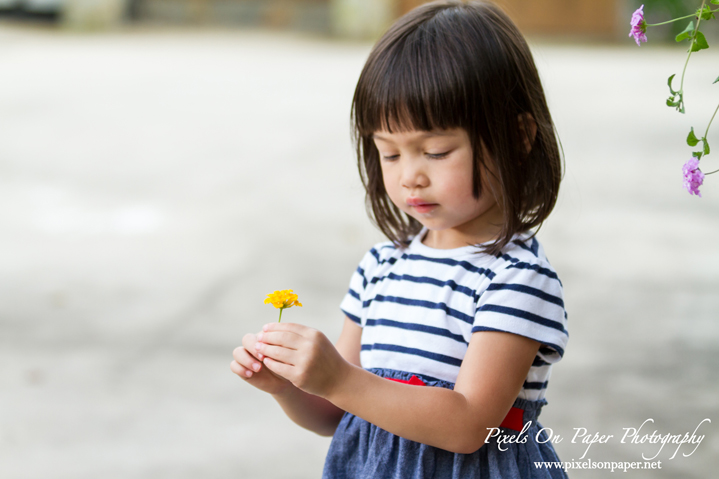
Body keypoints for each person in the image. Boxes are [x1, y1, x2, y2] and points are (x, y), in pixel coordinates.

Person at [231, 1, 569, 477]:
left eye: (435, 151)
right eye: (388, 154)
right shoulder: (381, 267)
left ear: (518, 138)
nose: (410, 176)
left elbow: (469, 424)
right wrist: (291, 386)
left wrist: (339, 378)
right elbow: (336, 412)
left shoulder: (517, 279)